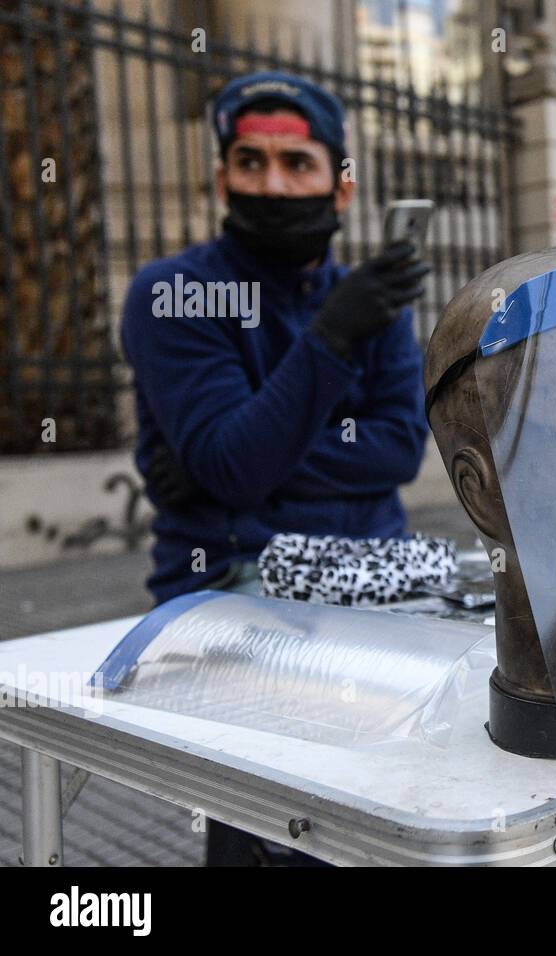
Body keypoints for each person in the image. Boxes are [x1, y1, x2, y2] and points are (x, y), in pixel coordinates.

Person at [120, 71, 430, 864]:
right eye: (249, 162)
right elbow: (233, 464)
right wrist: (328, 342)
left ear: (341, 186)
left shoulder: (376, 296)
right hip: (239, 590)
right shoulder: (175, 293)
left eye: (299, 164)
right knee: (286, 827)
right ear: (221, 177)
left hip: (378, 576)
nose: (273, 182)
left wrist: (250, 453)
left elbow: (399, 448)